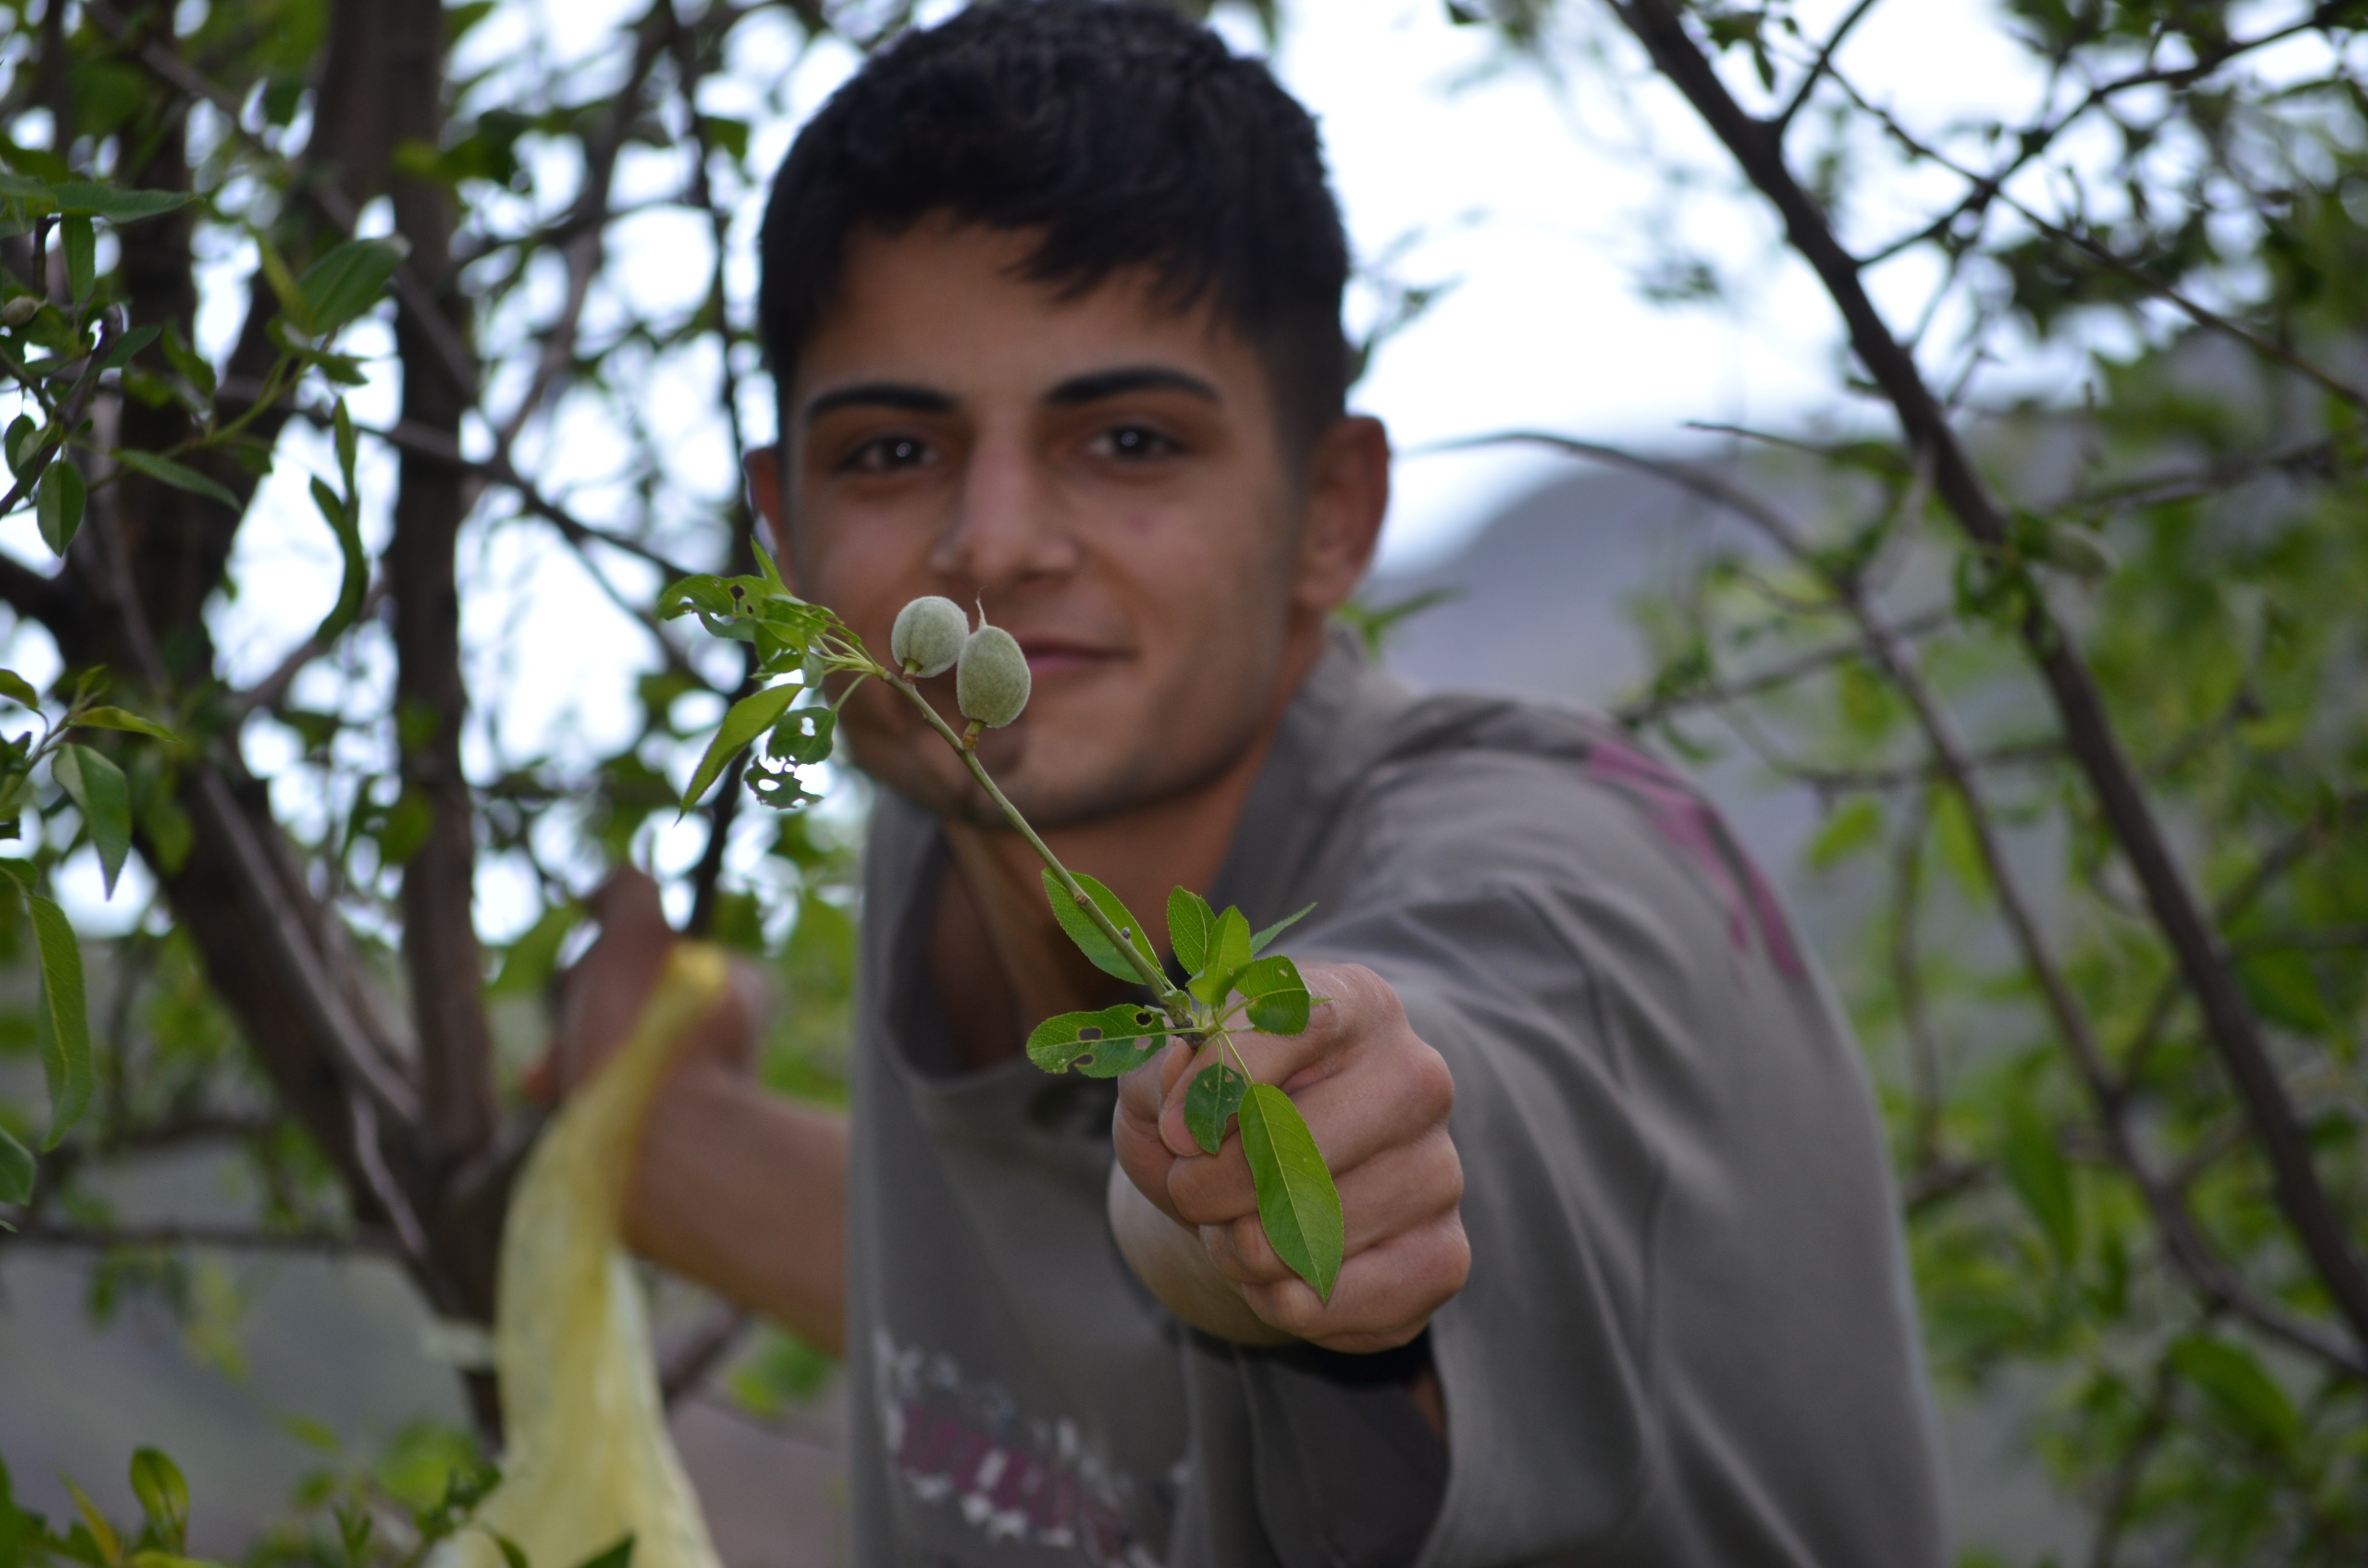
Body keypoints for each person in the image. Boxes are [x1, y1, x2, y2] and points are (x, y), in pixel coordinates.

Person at [543, 3, 1949, 1564]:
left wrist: (1271, 1183)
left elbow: (1422, 1097)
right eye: (891, 454)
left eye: (1129, 439)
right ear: (785, 531)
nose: (993, 541)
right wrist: (656, 1142)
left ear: (1334, 512)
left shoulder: (1569, 868)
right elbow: (1048, 1331)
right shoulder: (959, 822)